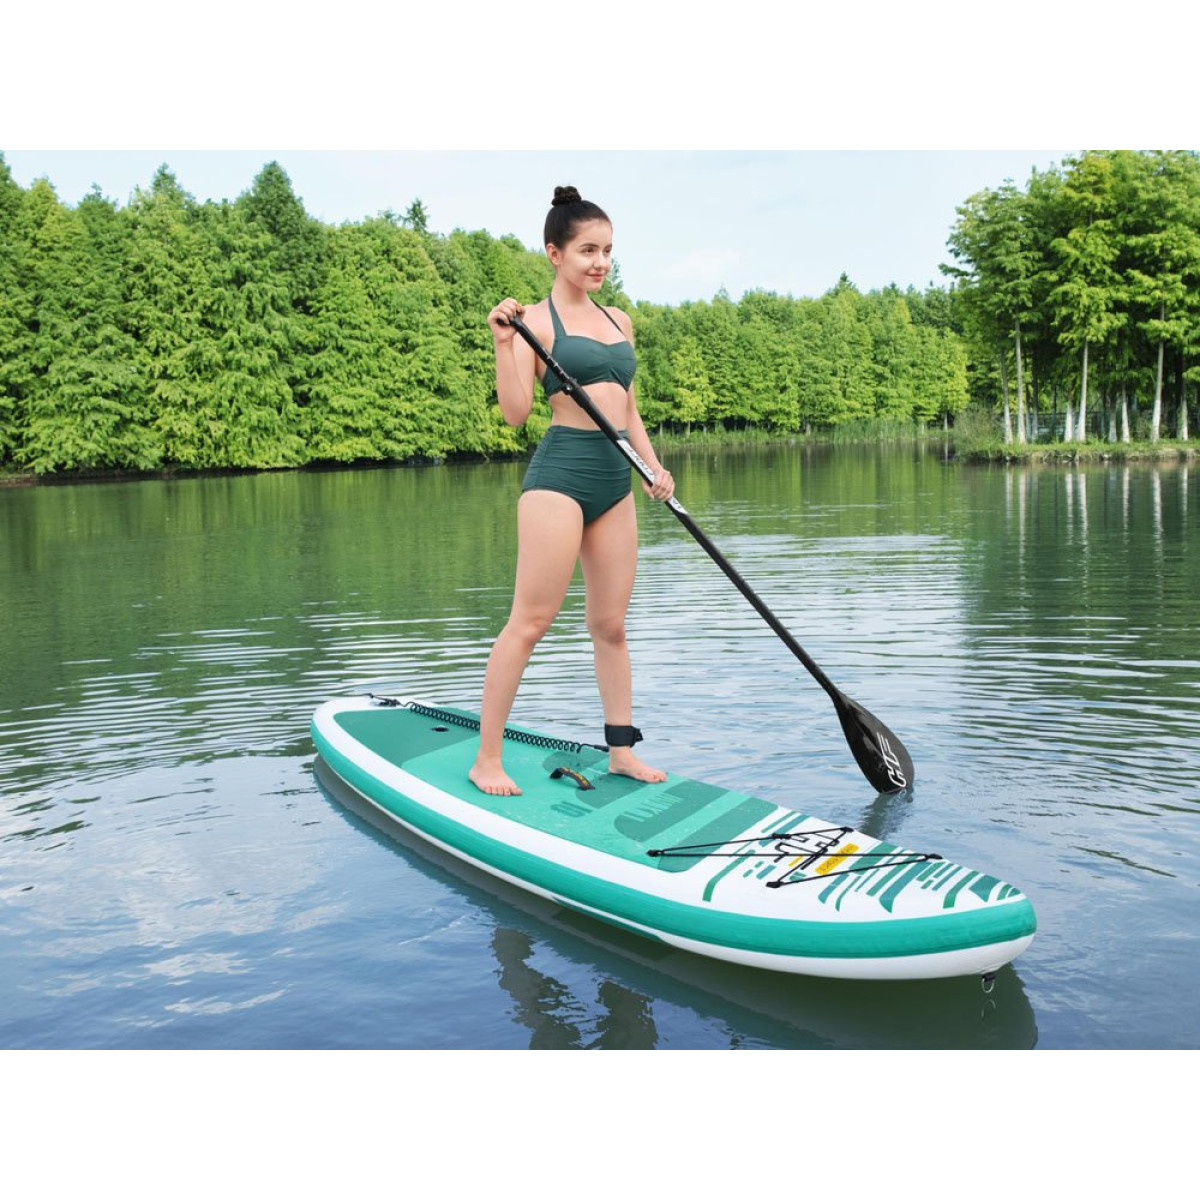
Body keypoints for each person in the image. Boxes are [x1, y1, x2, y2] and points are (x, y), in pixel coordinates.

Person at [469, 185, 676, 797]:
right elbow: (514, 414)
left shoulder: (619, 321)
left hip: (616, 479)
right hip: (560, 478)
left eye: (607, 250)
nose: (600, 262)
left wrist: (653, 468)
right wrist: (502, 343)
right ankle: (487, 759)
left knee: (611, 626)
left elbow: (628, 410)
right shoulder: (532, 323)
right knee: (531, 622)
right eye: (588, 250)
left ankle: (621, 752)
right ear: (554, 253)